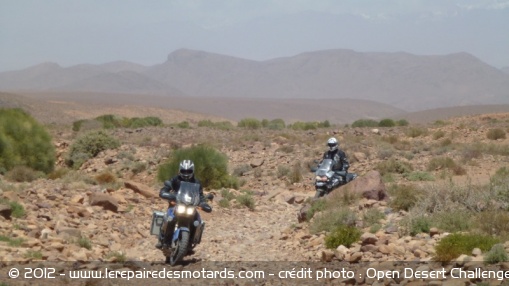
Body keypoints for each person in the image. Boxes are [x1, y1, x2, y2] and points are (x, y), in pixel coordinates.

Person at [156, 159, 212, 249]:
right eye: (184, 171)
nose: (186, 173)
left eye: (188, 171)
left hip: (190, 206)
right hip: (176, 204)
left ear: (192, 171)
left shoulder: (196, 182)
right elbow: (167, 186)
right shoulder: (175, 179)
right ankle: (164, 240)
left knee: (197, 221)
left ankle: (191, 242)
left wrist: (203, 203)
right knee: (170, 218)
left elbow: (200, 195)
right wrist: (165, 192)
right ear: (180, 170)